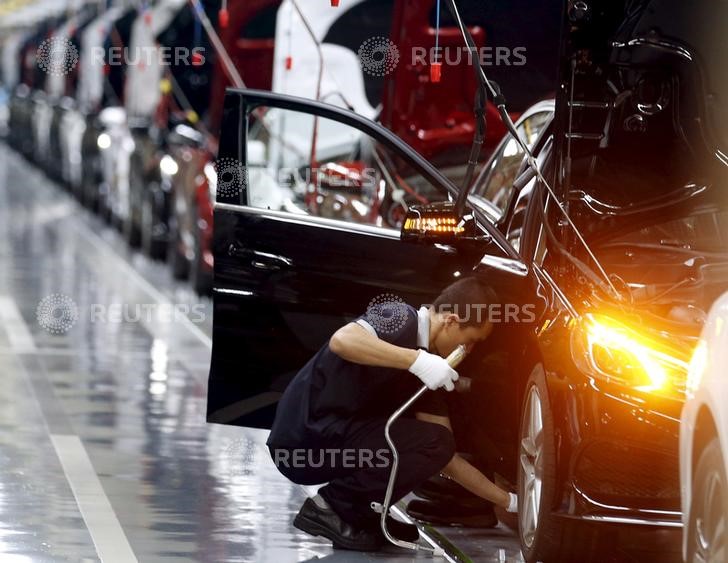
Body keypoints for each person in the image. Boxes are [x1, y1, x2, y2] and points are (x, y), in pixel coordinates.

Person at [266, 278, 517, 551]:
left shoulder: (429, 369)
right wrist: (416, 361)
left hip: (331, 440)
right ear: (452, 321)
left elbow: (445, 456)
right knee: (433, 440)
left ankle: (365, 513)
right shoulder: (399, 315)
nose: (469, 351)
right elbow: (342, 340)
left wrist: (509, 501)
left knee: (437, 441)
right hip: (304, 439)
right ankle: (332, 507)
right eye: (470, 342)